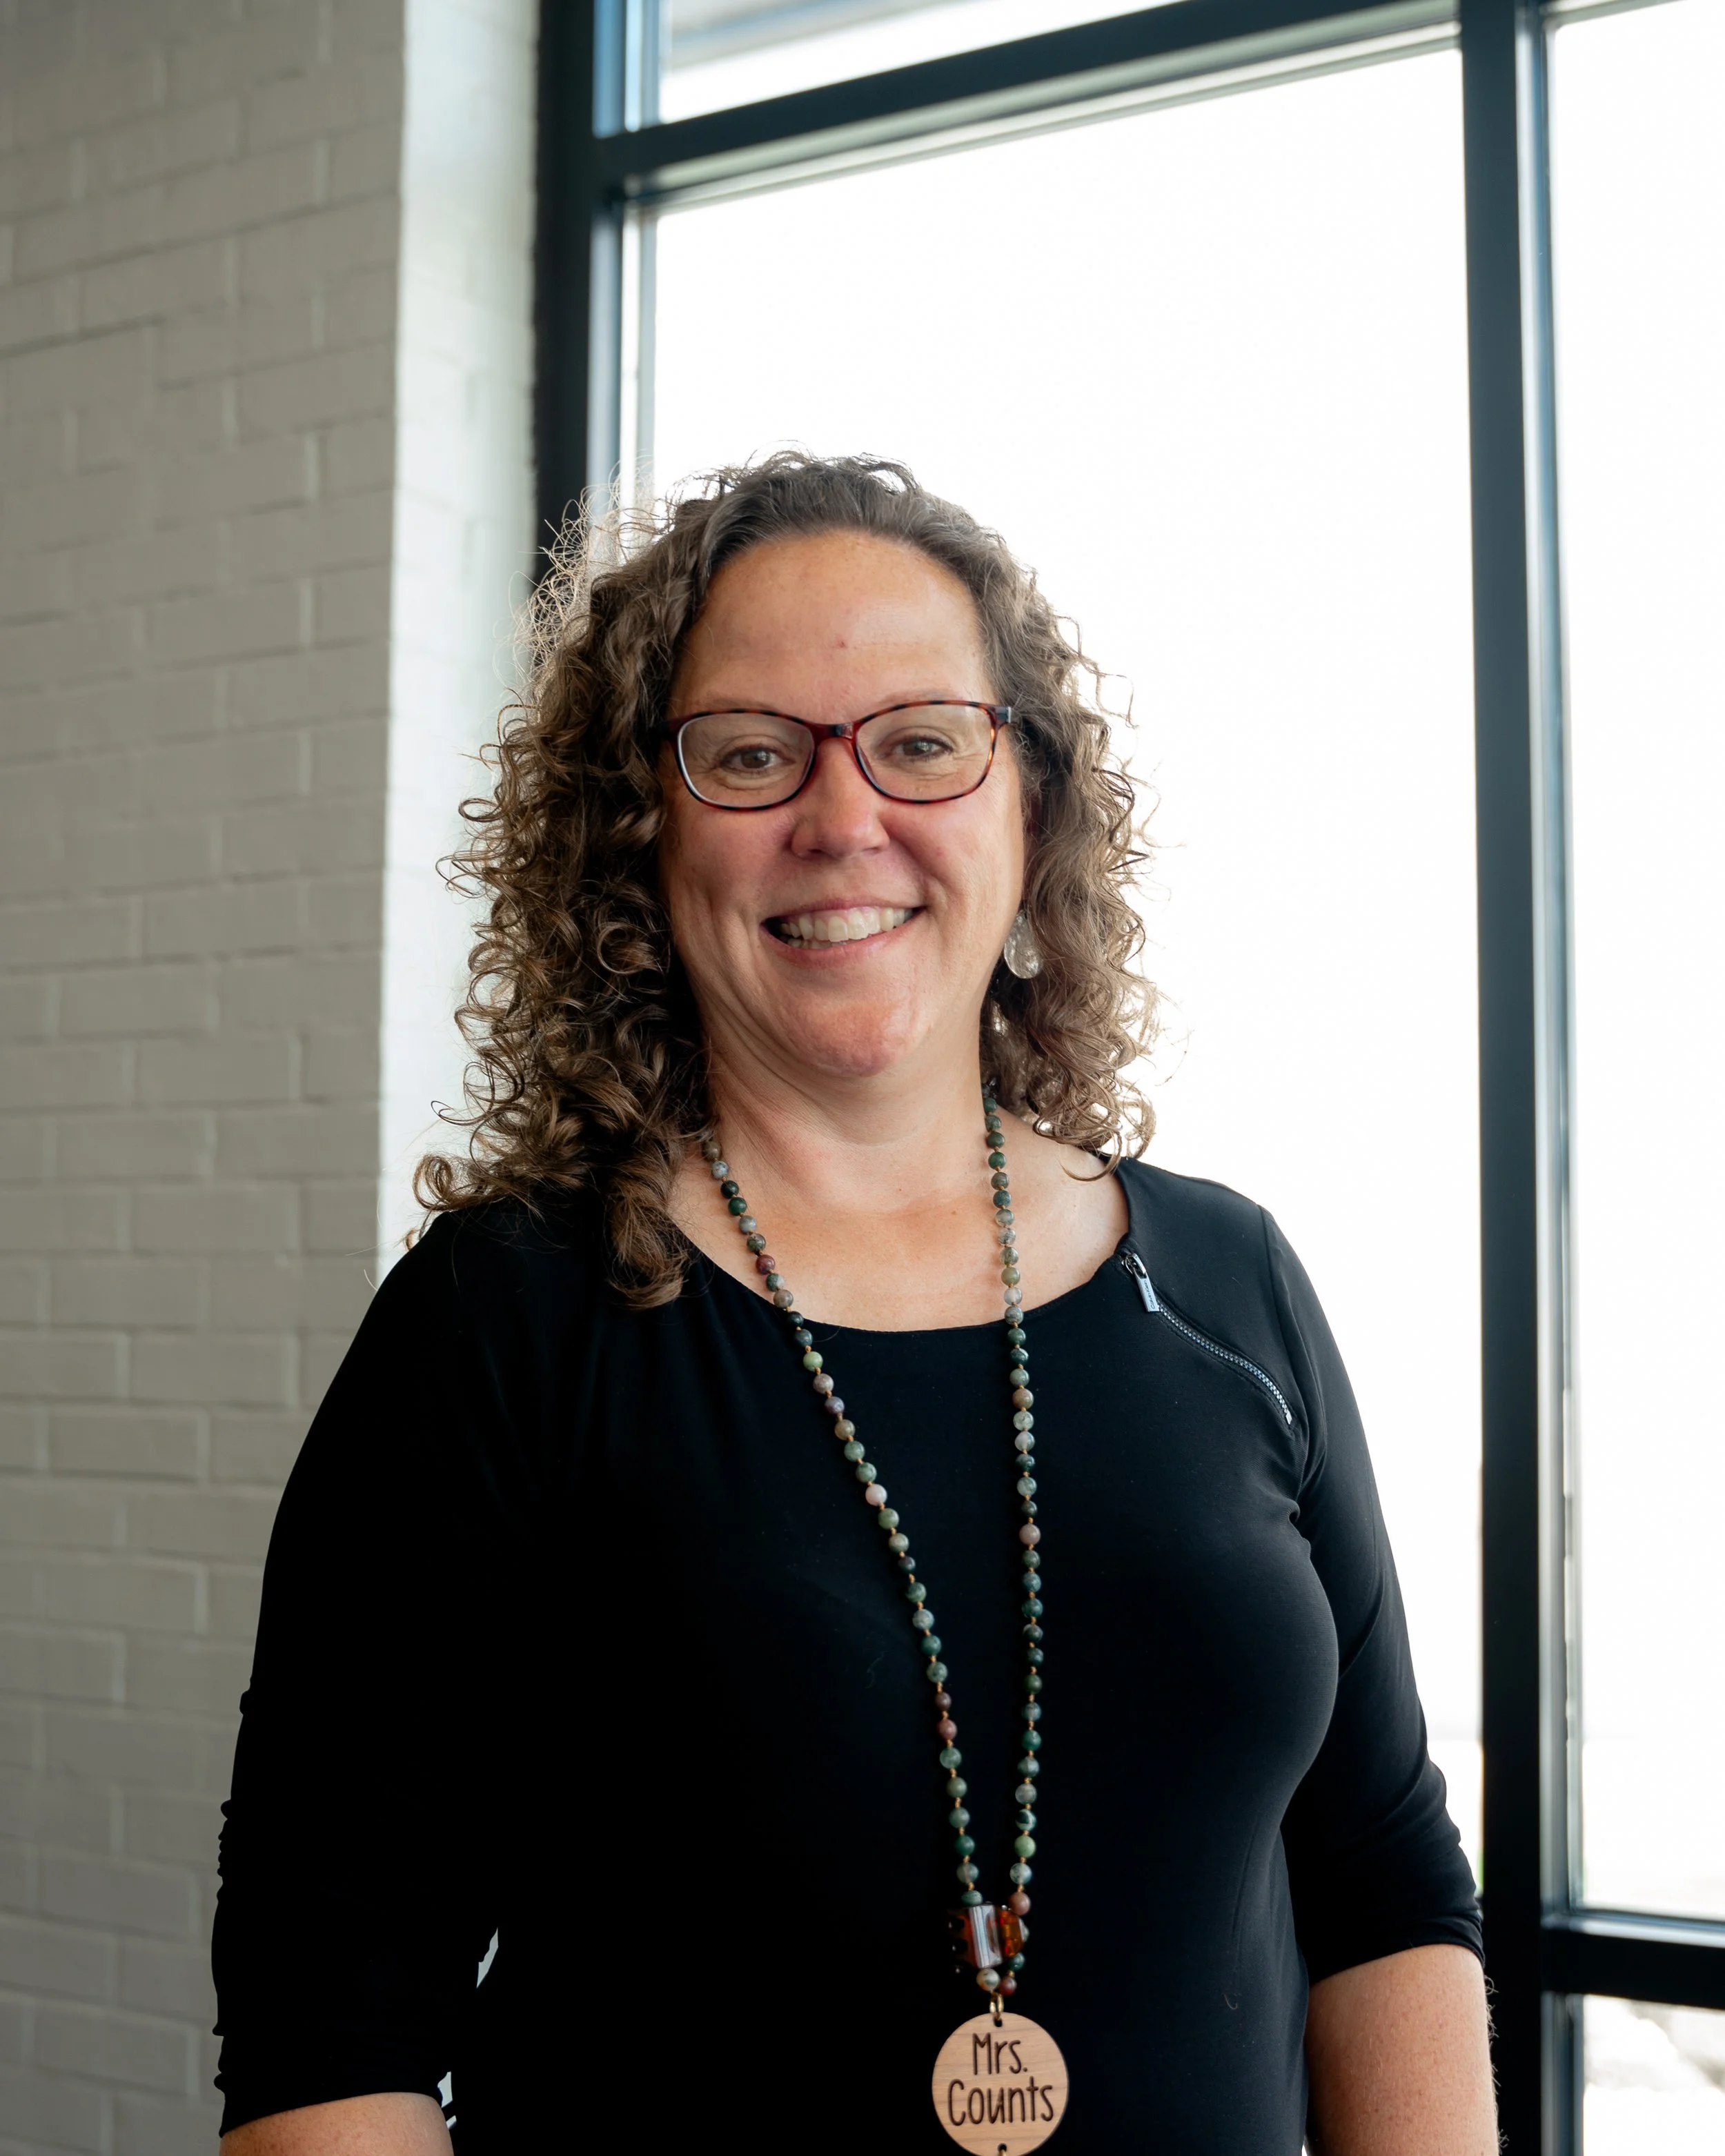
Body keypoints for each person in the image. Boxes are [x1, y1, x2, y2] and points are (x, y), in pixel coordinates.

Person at [212, 453, 1495, 2155]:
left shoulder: (1228, 1277)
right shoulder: (505, 1323)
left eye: (920, 740)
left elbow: (1381, 1877)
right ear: (636, 835)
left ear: (1024, 808)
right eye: (748, 754)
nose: (842, 818)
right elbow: (331, 2034)